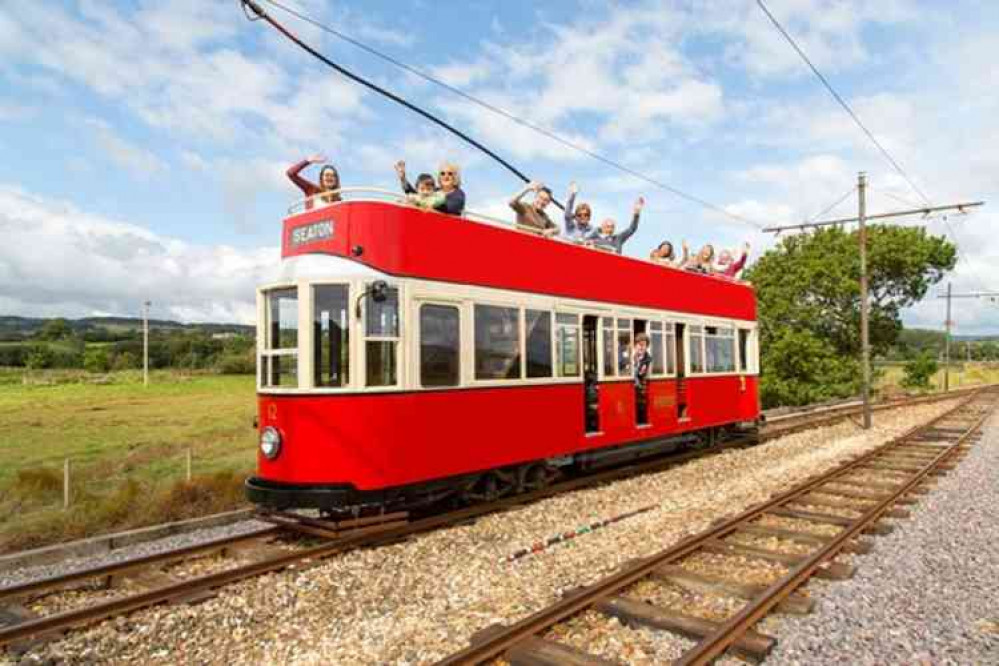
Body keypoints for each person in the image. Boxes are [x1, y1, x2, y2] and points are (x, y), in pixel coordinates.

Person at [395, 160, 466, 215]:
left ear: (455, 177)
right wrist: (403, 178)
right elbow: (416, 194)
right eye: (442, 173)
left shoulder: (458, 194)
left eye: (450, 174)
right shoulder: (434, 190)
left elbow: (449, 210)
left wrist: (423, 208)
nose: (446, 176)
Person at [633, 332, 653, 425]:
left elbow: (642, 374)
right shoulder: (629, 354)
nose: (641, 347)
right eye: (639, 344)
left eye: (643, 345)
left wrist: (642, 371)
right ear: (635, 345)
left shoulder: (647, 359)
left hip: (639, 385)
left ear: (647, 346)